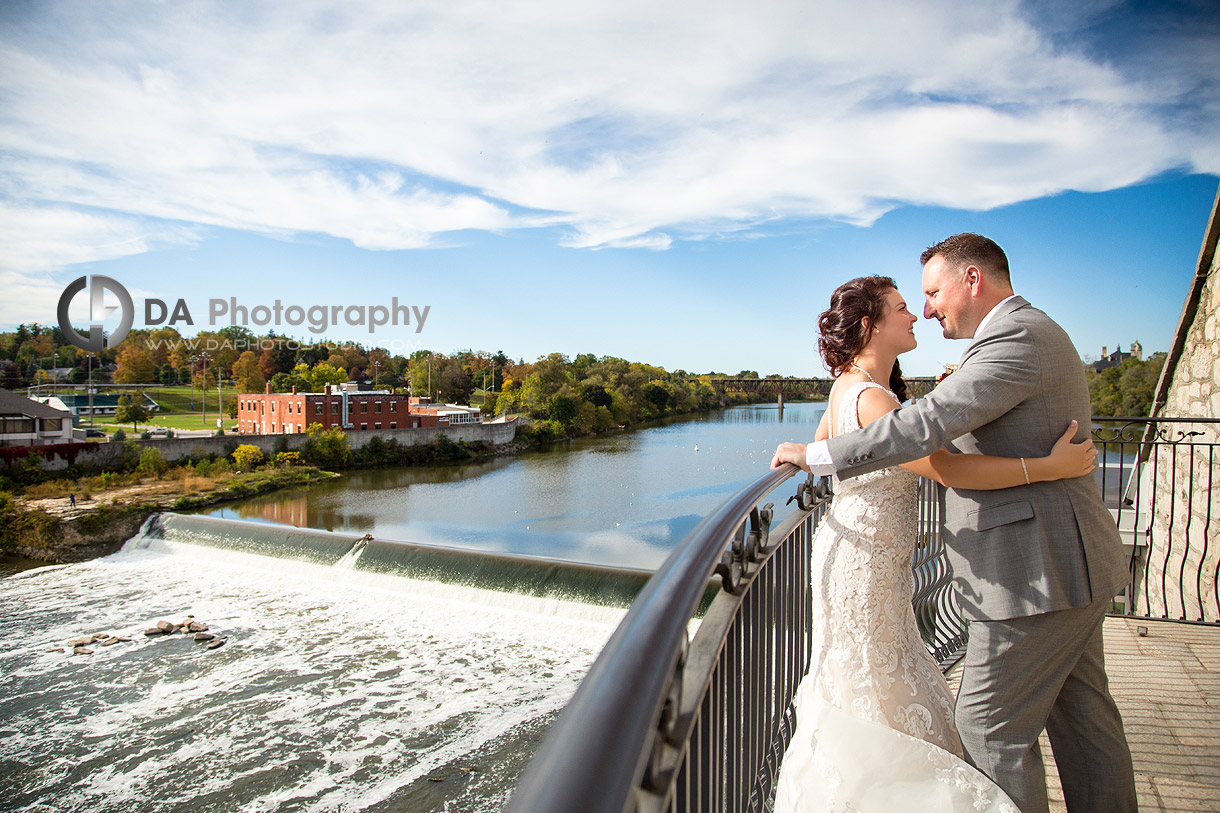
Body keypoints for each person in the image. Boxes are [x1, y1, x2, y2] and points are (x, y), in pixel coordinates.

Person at [773, 235, 1137, 813]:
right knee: (1085, 724)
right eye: (911, 302)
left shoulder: (1016, 335)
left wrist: (814, 455)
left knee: (989, 728)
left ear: (972, 280)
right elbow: (945, 433)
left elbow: (929, 426)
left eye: (933, 292)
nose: (927, 307)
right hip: (1055, 567)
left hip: (1034, 574)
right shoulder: (1016, 335)